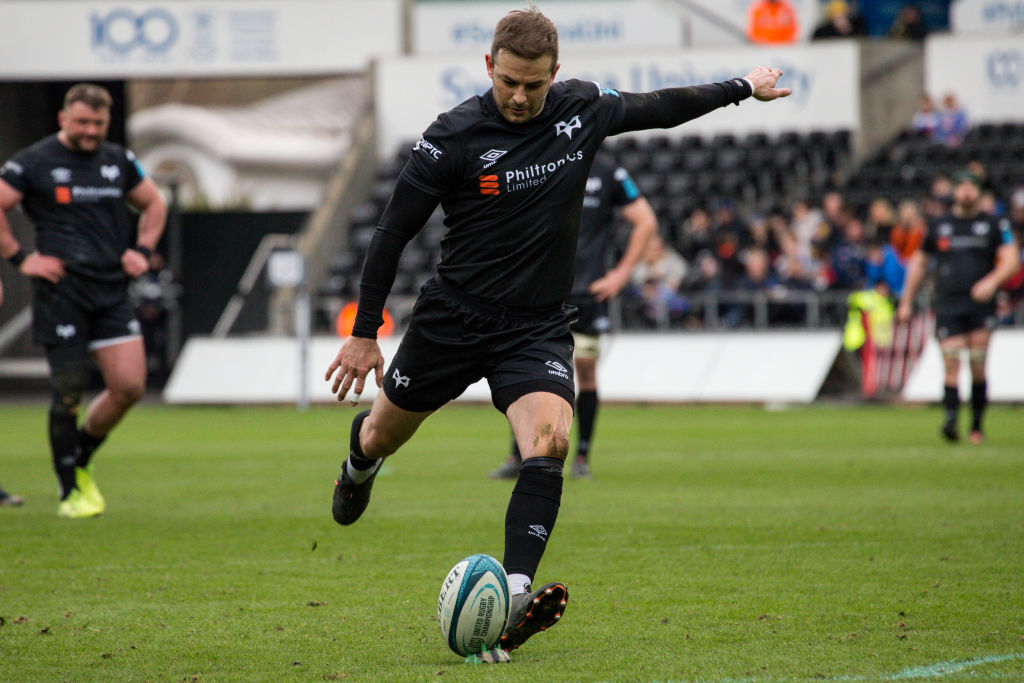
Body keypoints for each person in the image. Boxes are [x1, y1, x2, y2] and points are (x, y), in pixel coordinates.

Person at [323, 6, 790, 659]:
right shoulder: (450, 137)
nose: (518, 96)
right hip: (452, 318)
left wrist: (741, 87)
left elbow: (661, 105)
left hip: (535, 326)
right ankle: (357, 467)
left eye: (533, 84)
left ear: (555, 74)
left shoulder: (581, 110)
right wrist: (365, 330)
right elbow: (392, 230)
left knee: (550, 441)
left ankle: (513, 596)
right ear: (489, 66)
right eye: (509, 80)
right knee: (380, 433)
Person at [0, 83, 167, 518]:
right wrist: (21, 258)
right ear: (63, 119)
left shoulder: (117, 160)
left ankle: (81, 459)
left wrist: (142, 251)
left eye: (98, 122)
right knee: (69, 393)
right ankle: (69, 489)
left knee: (130, 386)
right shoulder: (35, 161)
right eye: (82, 122)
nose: (90, 131)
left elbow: (154, 204)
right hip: (62, 291)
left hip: (110, 289)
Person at [489, 150, 658, 480]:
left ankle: (581, 457)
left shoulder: (609, 171)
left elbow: (646, 221)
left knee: (585, 369)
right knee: (527, 369)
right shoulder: (541, 162)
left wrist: (621, 274)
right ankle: (519, 454)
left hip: (588, 293)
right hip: (541, 291)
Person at [897, 170, 1019, 444]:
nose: (966, 191)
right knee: (951, 362)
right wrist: (906, 301)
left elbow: (1011, 259)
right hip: (948, 302)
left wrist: (992, 281)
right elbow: (919, 263)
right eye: (961, 185)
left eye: (971, 186)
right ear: (954, 190)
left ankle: (976, 426)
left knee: (977, 364)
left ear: (978, 192)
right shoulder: (939, 224)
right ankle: (951, 420)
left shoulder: (995, 223)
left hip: (981, 305)